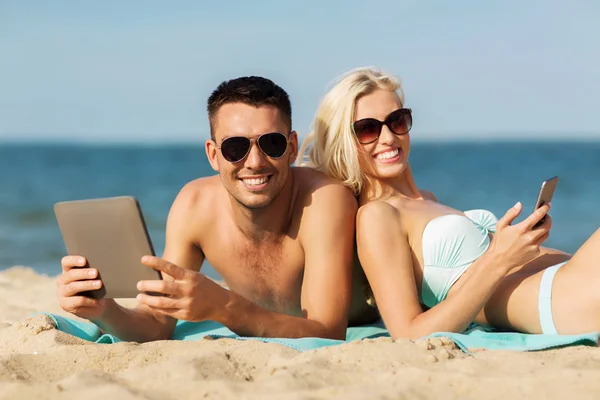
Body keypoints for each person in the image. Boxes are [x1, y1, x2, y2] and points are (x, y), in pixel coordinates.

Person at [56, 76, 373, 342]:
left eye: (271, 144)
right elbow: (156, 323)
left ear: (291, 147)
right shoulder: (195, 206)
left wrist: (223, 306)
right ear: (213, 154)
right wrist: (104, 310)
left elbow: (327, 333)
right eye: (235, 148)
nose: (254, 162)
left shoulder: (325, 200)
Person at [300, 66, 600, 340]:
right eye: (367, 128)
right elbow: (408, 333)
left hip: (568, 277)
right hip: (559, 300)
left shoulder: (426, 199)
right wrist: (500, 258)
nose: (389, 137)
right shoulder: (376, 216)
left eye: (397, 120)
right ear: (344, 141)